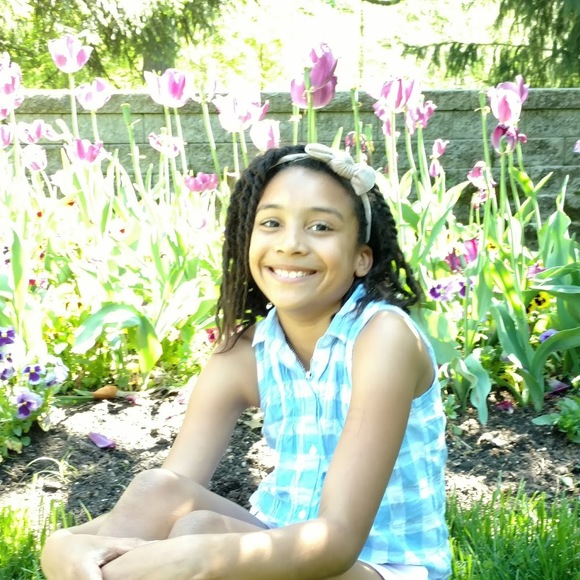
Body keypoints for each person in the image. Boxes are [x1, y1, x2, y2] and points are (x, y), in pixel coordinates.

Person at [41, 143, 451, 579]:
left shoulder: (383, 338)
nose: (291, 244)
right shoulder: (245, 353)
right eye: (271, 223)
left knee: (203, 543)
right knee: (159, 492)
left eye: (320, 227)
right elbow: (165, 499)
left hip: (380, 565)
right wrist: (61, 546)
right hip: (276, 538)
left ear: (361, 257)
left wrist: (199, 559)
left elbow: (337, 541)